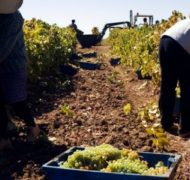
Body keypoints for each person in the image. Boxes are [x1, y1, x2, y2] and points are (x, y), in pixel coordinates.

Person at [0, 0, 41, 151]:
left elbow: (3, 48)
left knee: (16, 102)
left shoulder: (14, 19)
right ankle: (4, 139)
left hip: (12, 66)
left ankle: (33, 127)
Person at [159, 18, 190, 138]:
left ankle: (166, 123)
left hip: (165, 40)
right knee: (187, 89)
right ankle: (185, 129)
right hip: (181, 47)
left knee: (167, 85)